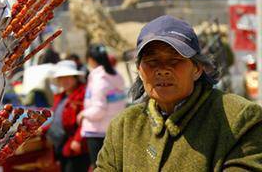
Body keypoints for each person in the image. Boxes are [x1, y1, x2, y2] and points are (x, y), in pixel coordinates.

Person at [95, 15, 262, 171]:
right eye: (152, 61)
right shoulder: (124, 127)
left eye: (175, 60)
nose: (162, 70)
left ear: (197, 69)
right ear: (139, 70)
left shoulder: (239, 119)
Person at [77, 44, 126, 168]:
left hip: (97, 132)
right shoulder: (116, 76)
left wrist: (83, 114)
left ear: (91, 60)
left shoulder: (100, 80)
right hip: (113, 128)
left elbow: (99, 110)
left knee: (99, 167)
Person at [46, 60, 89, 172]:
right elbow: (56, 118)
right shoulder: (60, 97)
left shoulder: (83, 95)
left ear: (75, 78)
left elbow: (87, 119)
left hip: (76, 146)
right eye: (62, 78)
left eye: (68, 77)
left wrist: (78, 140)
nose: (65, 81)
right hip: (61, 145)